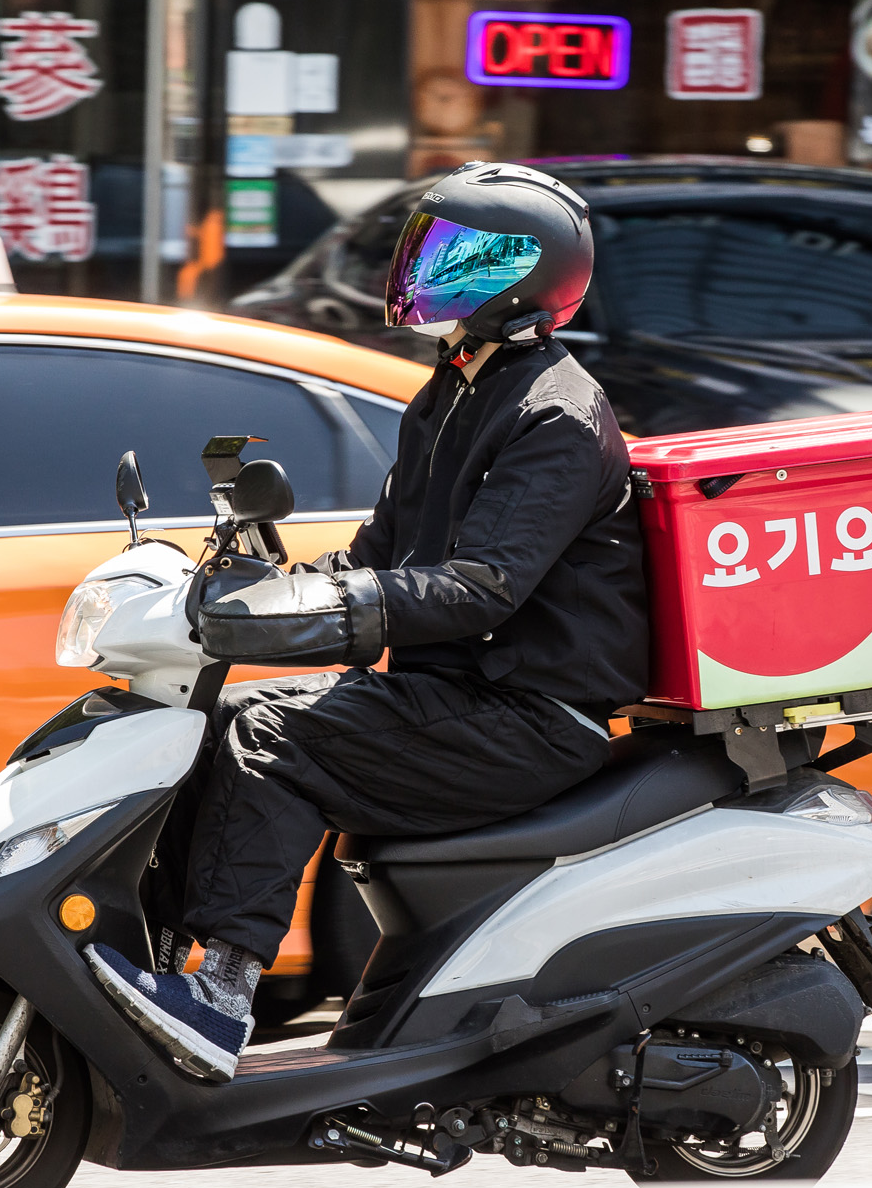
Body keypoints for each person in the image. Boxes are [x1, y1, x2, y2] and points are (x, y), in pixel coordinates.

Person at [85, 162, 649, 1081]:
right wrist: (270, 589)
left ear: (515, 274)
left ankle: (222, 998)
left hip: (529, 716)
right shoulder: (455, 389)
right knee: (216, 724)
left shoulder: (555, 413)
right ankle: (166, 968)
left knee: (269, 739)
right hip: (454, 692)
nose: (421, 270)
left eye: (450, 255)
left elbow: (483, 586)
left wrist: (352, 609)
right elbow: (380, 550)